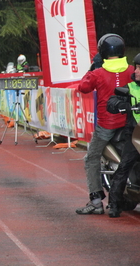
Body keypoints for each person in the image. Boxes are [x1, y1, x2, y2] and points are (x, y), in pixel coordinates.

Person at [75, 33, 134, 215]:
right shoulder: (132, 70)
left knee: (91, 158)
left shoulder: (98, 73)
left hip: (107, 126)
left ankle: (95, 201)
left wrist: (93, 67)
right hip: (129, 123)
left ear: (102, 52)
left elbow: (83, 87)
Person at [106, 53, 140, 217]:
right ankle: (114, 204)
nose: (138, 71)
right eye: (137, 67)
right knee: (124, 166)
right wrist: (123, 104)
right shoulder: (129, 88)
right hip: (135, 134)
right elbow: (111, 102)